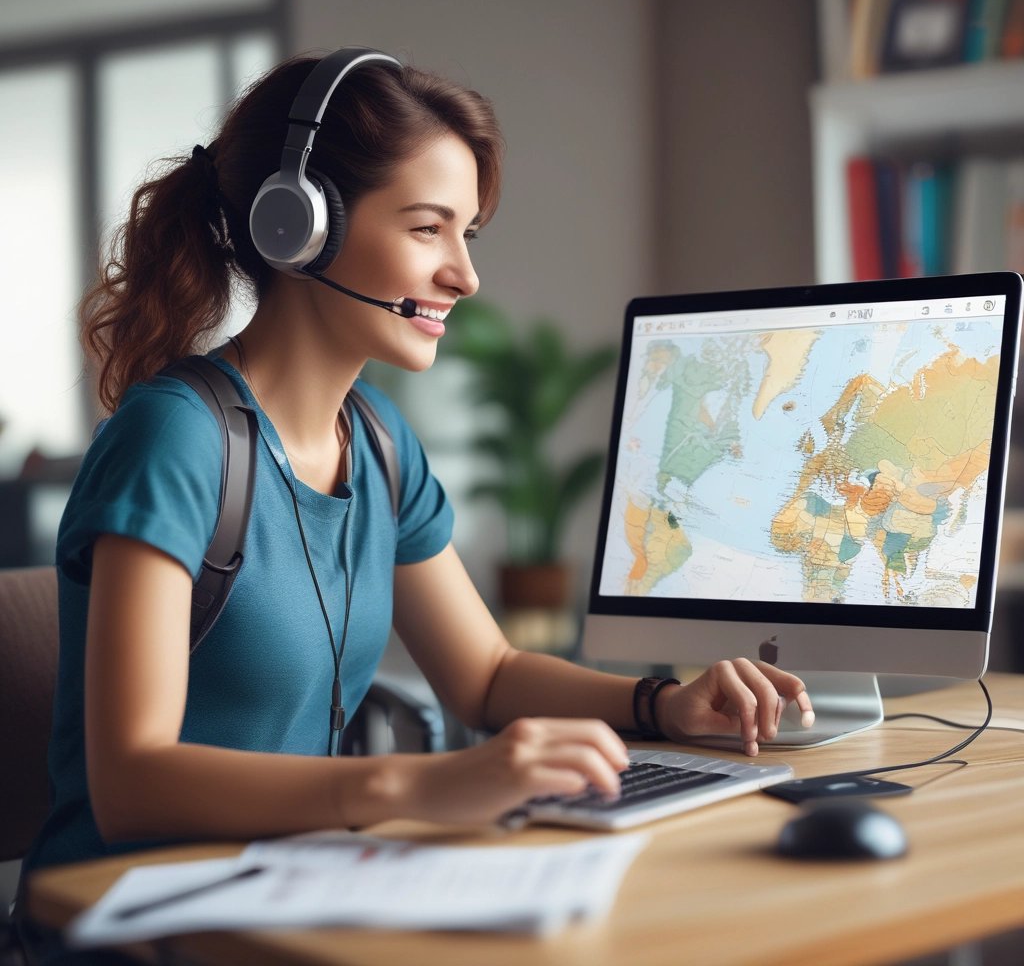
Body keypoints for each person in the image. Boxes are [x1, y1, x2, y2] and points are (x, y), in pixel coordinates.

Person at [24, 48, 814, 879]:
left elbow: (487, 675)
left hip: (287, 895)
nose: (465, 275)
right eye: (427, 227)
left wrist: (663, 704)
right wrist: (417, 784)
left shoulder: (379, 444)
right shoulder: (176, 439)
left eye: (465, 234)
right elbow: (131, 782)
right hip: (126, 922)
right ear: (298, 224)